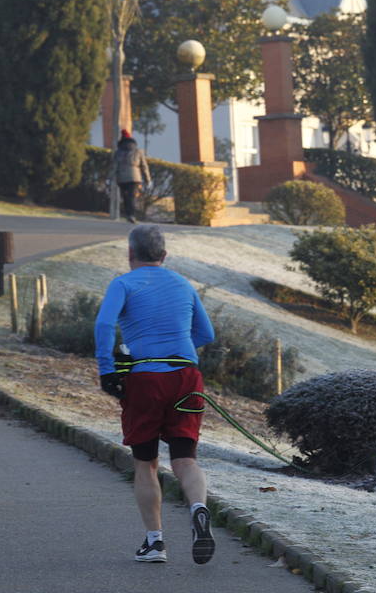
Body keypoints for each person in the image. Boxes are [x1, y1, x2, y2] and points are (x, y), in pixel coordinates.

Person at [95, 225, 216, 564]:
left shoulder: (123, 283)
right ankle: (199, 508)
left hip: (145, 378)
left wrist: (107, 369)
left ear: (130, 254)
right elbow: (206, 333)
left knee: (146, 462)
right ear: (164, 255)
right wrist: (175, 349)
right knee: (185, 458)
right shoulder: (181, 283)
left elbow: (104, 325)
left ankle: (155, 542)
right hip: (186, 376)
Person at [113, 129, 151, 223]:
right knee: (132, 196)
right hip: (135, 177)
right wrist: (148, 179)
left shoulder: (118, 151)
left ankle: (128, 214)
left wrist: (110, 178)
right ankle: (132, 215)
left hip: (122, 177)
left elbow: (114, 166)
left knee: (126, 197)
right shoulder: (138, 151)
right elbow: (144, 166)